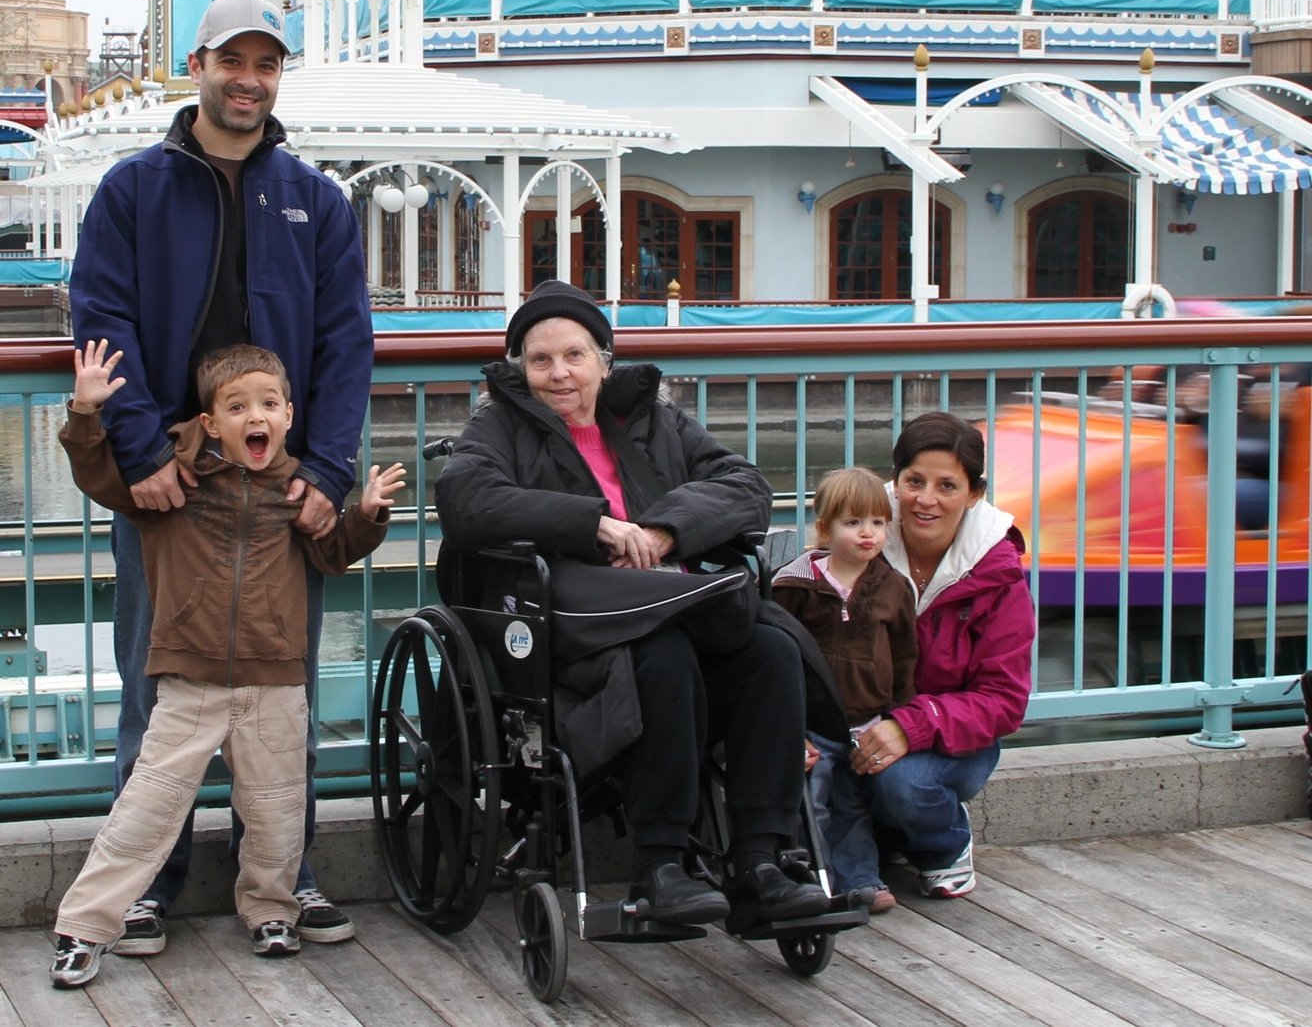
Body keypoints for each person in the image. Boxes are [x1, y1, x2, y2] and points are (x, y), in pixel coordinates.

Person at [67, 0, 373, 955]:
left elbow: (345, 344)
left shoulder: (315, 200)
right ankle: (148, 884)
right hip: (171, 486)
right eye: (230, 61)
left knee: (285, 695)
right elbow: (100, 319)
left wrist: (325, 465)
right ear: (194, 65)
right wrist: (143, 451)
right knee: (150, 689)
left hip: (280, 490)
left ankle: (284, 874)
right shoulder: (133, 191)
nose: (248, 80)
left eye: (266, 64)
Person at [434, 280, 832, 928]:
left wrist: (665, 531)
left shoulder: (655, 420)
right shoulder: (499, 426)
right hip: (573, 632)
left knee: (772, 648)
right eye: (540, 360)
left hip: (679, 601)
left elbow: (744, 486)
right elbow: (467, 502)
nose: (558, 373)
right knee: (662, 648)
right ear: (520, 369)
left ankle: (760, 858)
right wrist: (592, 523)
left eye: (575, 356)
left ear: (604, 360)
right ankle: (660, 863)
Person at [49, 340, 401, 987]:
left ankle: (271, 910)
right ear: (211, 422)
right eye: (237, 406)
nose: (254, 416)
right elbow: (99, 478)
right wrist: (85, 414)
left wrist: (369, 517)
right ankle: (85, 925)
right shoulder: (176, 486)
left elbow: (332, 554)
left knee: (275, 808)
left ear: (290, 415)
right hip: (190, 680)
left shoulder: (297, 494)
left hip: (276, 679)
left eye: (268, 404)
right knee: (146, 807)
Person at [848, 411, 1035, 899]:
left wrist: (909, 727)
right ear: (896, 480)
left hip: (950, 738)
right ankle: (877, 847)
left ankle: (944, 845)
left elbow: (1003, 701)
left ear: (974, 494)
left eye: (947, 486)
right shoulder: (856, 541)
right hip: (855, 723)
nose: (925, 500)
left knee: (902, 786)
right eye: (914, 481)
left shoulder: (999, 575)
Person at [772, 467, 918, 914]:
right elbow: (775, 658)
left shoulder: (893, 587)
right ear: (824, 528)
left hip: (865, 722)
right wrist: (786, 725)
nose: (867, 533)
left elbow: (905, 655)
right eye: (852, 523)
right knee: (810, 804)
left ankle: (861, 879)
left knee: (852, 807)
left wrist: (900, 715)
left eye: (876, 522)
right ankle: (815, 880)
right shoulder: (793, 585)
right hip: (812, 724)